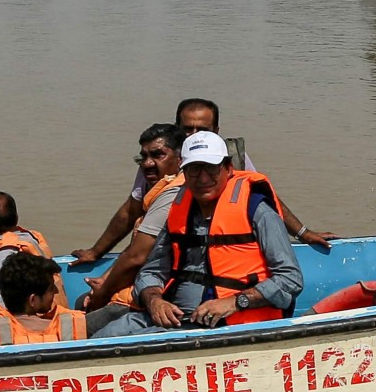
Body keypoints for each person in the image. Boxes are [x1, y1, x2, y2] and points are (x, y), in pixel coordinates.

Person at [92, 130, 304, 337]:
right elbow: (151, 271)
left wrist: (236, 301)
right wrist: (154, 299)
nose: (203, 178)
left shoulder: (257, 210)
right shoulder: (178, 210)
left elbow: (290, 279)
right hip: (176, 316)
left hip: (230, 324)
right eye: (194, 169)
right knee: (106, 335)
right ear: (184, 172)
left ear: (228, 168)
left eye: (211, 168)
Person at [77, 98, 334, 262]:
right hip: (174, 252)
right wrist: (96, 251)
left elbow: (265, 197)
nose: (194, 135)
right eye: (187, 128)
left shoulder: (228, 157)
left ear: (217, 133)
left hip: (227, 249)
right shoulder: (158, 159)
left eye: (203, 130)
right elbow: (131, 209)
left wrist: (302, 232)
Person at [76, 125, 183, 329]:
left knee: (81, 327)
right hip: (137, 285)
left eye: (158, 155)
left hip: (151, 293)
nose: (148, 163)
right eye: (143, 157)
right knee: (82, 301)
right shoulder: (156, 187)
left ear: (180, 158)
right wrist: (104, 279)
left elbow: (136, 258)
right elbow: (134, 236)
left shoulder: (174, 193)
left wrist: (103, 294)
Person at [0, 250, 89, 346]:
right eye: (51, 288)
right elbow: (108, 312)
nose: (56, 291)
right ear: (32, 300)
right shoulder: (72, 325)